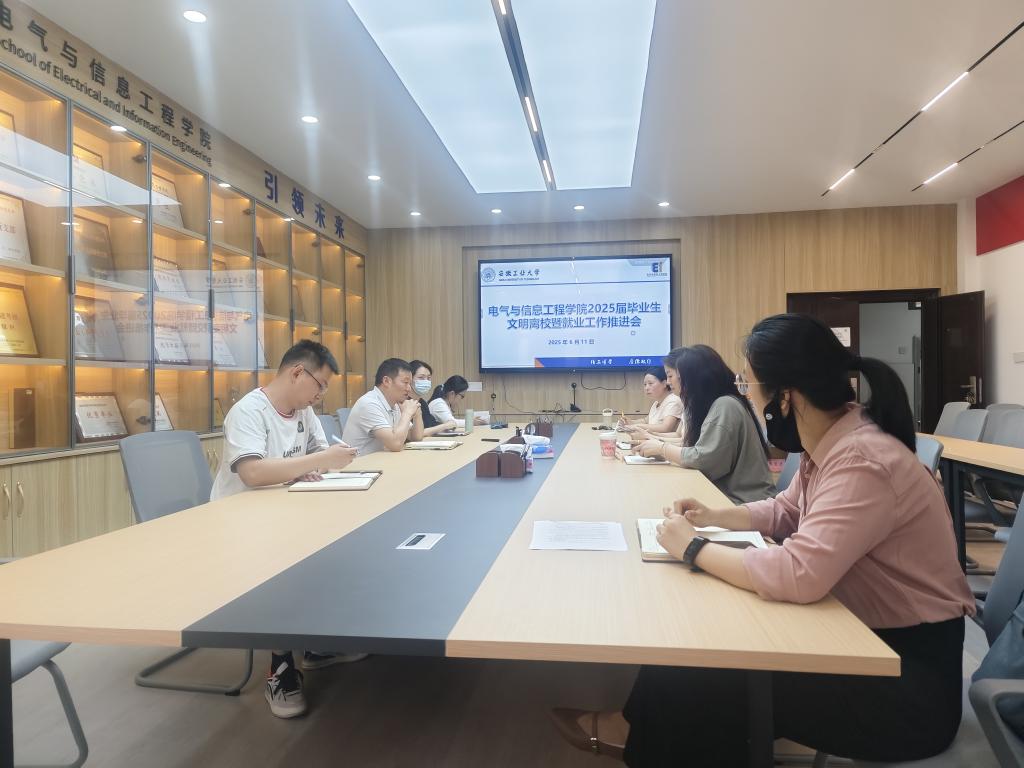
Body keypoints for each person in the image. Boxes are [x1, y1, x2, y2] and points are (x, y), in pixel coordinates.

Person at [551, 314, 974, 766]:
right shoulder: (837, 440)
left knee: (709, 670)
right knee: (699, 640)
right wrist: (715, 515)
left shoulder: (863, 459)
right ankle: (637, 727)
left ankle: (640, 735)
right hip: (861, 638)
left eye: (748, 384)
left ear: (785, 397)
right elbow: (786, 511)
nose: (746, 395)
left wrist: (693, 548)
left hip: (904, 685)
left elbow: (799, 574)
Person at [209, 339, 365, 720]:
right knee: (287, 560)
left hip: (284, 509)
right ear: (297, 372)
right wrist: (313, 463)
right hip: (238, 522)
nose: (320, 396)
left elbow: (318, 458)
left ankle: (313, 642)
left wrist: (319, 463)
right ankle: (280, 666)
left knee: (340, 544)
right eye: (320, 385)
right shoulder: (250, 411)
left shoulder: (302, 412)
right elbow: (253, 472)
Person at [634, 345, 775, 504]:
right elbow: (696, 450)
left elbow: (704, 462)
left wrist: (662, 449)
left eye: (674, 376)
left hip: (743, 502)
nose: (669, 381)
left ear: (694, 377)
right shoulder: (713, 405)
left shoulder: (725, 405)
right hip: (728, 496)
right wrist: (659, 448)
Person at [342, 357, 424, 454]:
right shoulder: (369, 404)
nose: (409, 388)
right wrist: (407, 413)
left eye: (410, 384)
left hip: (379, 460)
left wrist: (417, 413)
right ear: (386, 381)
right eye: (405, 382)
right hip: (359, 462)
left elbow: (415, 437)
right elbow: (396, 444)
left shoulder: (394, 405)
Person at [618, 365, 682, 435]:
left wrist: (636, 426)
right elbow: (646, 421)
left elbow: (665, 427)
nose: (646, 388)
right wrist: (631, 422)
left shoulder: (673, 401)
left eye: (650, 383)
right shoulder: (656, 403)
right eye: (645, 384)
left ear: (664, 383)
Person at [409, 359, 458, 436]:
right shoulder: (404, 403)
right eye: (421, 377)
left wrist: (448, 425)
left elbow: (432, 424)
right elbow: (416, 433)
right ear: (409, 379)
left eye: (428, 378)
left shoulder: (422, 403)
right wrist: (445, 426)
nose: (426, 381)